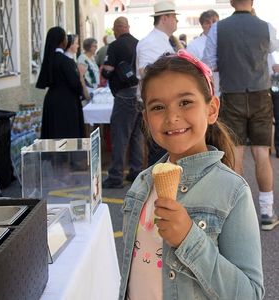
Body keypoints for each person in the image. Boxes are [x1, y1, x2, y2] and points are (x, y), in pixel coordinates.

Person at [119, 50, 264, 300]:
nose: (172, 116)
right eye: (158, 107)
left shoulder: (232, 191)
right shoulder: (141, 184)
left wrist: (189, 238)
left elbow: (250, 293)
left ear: (212, 109)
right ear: (146, 119)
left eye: (185, 102)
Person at [203, 0, 279, 230]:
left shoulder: (218, 28)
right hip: (260, 94)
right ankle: (266, 212)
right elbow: (271, 56)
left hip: (232, 93)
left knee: (234, 154)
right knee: (261, 153)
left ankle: (235, 213)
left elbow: (209, 63)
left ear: (231, 2)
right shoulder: (266, 27)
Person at [101, 16, 143, 188]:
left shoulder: (115, 45)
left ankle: (116, 176)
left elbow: (108, 70)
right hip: (140, 94)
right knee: (136, 136)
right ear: (128, 27)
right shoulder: (139, 44)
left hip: (124, 94)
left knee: (120, 135)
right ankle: (135, 172)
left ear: (117, 28)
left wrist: (108, 73)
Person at [136, 0, 179, 166]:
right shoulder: (151, 41)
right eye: (174, 17)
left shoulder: (162, 40)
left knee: (164, 151)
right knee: (159, 153)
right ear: (165, 18)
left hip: (163, 103)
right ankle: (155, 189)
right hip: (158, 104)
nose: (176, 21)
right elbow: (144, 72)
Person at [36, 26, 84, 138]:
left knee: (53, 135)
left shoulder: (49, 60)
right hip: (66, 103)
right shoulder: (66, 61)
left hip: (51, 101)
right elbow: (75, 84)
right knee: (67, 137)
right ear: (62, 41)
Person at [186, 10, 220, 96]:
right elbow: (190, 69)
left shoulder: (226, 41)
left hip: (226, 90)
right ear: (202, 25)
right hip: (206, 90)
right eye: (207, 22)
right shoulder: (193, 45)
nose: (211, 25)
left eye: (214, 22)